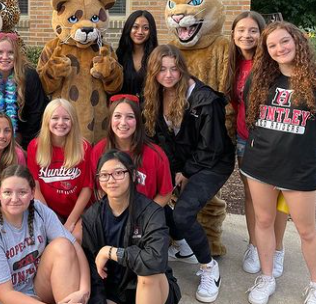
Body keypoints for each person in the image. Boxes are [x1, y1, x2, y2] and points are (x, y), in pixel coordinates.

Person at [241, 22, 316, 304]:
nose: (279, 49)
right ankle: (267, 277)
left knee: (306, 230)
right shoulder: (260, 78)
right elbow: (252, 116)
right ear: (266, 51)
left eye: (284, 41)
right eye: (272, 45)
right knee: (263, 221)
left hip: (298, 169)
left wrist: (301, 144)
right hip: (259, 165)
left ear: (297, 40)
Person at [142, 44, 234, 303]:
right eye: (162, 69)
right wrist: (171, 170)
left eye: (174, 68)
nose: (169, 75)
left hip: (212, 162)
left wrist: (187, 172)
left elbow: (212, 146)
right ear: (153, 72)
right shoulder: (156, 94)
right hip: (184, 161)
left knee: (183, 213)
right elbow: (163, 139)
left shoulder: (204, 99)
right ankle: (184, 246)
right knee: (151, 197)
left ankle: (208, 267)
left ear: (182, 69)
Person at [0, 164, 91, 304]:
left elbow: (75, 247)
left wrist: (84, 290)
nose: (14, 199)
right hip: (3, 300)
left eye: (22, 192)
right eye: (8, 192)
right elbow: (5, 295)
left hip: (35, 288)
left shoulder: (38, 210)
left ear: (32, 192)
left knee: (63, 245)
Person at [229, 11, 288, 278]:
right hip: (245, 138)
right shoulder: (232, 63)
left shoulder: (272, 63)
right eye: (241, 30)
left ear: (262, 34)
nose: (246, 35)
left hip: (275, 140)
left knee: (278, 194)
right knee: (252, 195)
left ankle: (277, 249)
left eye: (253, 30)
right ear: (233, 34)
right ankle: (255, 245)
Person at [81, 150, 181, 304]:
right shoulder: (92, 216)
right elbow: (93, 271)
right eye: (104, 175)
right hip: (114, 291)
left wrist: (111, 252)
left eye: (118, 173)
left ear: (133, 175)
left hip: (153, 288)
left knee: (147, 274)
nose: (111, 180)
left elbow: (155, 261)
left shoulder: (151, 211)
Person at [91, 94, 172, 206]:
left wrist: (147, 214)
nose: (123, 123)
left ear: (138, 121)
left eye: (130, 117)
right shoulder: (99, 150)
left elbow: (165, 194)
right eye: (117, 116)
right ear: (110, 119)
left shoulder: (155, 154)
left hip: (145, 213)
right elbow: (98, 190)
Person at [27, 99, 92, 238]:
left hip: (77, 211)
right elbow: (35, 187)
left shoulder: (84, 147)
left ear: (73, 121)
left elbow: (87, 189)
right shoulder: (35, 146)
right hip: (48, 211)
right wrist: (51, 220)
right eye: (55, 118)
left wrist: (70, 222)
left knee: (75, 238)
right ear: (46, 120)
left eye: (66, 118)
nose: (60, 123)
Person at [0, 32, 47, 149]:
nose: (5, 57)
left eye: (10, 52)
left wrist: (24, 143)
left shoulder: (29, 76)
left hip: (26, 139)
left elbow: (36, 113)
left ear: (16, 55)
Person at [116, 10, 158, 99]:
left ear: (151, 31)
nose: (140, 32)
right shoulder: (118, 56)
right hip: (124, 106)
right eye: (135, 27)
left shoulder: (157, 57)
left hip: (149, 106)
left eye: (145, 28)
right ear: (128, 28)